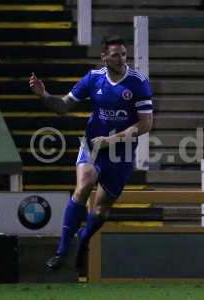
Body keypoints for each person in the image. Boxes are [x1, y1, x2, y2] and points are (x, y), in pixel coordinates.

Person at [29, 35, 153, 270]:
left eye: (124, 55)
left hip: (121, 154)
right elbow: (64, 106)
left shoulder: (138, 82)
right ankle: (62, 252)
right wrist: (44, 96)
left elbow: (145, 124)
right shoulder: (93, 79)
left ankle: (83, 241)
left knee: (100, 209)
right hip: (92, 146)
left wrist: (111, 140)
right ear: (104, 57)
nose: (121, 60)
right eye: (115, 55)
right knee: (84, 185)